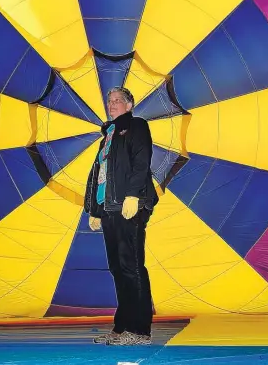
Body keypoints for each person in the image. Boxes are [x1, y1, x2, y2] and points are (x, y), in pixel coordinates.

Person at [84, 86, 159, 346]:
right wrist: (95, 210)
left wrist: (133, 195)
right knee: (117, 268)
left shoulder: (136, 126)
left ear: (129, 105)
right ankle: (122, 327)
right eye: (110, 100)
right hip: (110, 209)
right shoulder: (108, 136)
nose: (112, 104)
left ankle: (140, 331)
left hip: (130, 205)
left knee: (132, 266)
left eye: (118, 100)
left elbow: (142, 161)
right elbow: (99, 175)